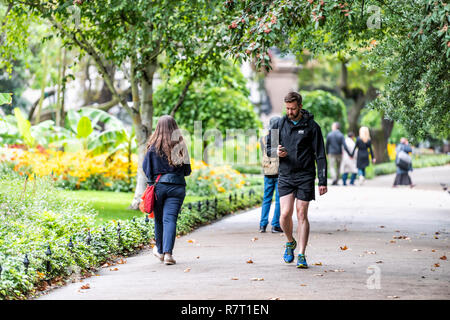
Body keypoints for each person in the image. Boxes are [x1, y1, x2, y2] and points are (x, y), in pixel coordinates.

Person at [266, 91, 327, 269]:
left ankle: (301, 254)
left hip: (305, 175)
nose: (290, 112)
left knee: (301, 214)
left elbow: (321, 155)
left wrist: (322, 180)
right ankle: (290, 242)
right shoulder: (278, 124)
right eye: (287, 108)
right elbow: (268, 149)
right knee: (284, 214)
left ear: (300, 106)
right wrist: (276, 152)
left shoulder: (312, 127)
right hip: (285, 174)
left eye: (293, 108)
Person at [142, 115, 192, 265]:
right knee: (170, 220)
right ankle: (168, 254)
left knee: (159, 220)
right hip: (177, 187)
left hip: (159, 187)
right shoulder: (180, 147)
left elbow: (146, 169)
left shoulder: (152, 148)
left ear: (158, 128)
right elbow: (187, 170)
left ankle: (160, 250)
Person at [259, 116, 282, 233]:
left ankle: (262, 225)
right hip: (278, 172)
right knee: (279, 200)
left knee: (266, 199)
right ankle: (275, 225)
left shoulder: (263, 139)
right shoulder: (281, 138)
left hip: (267, 171)